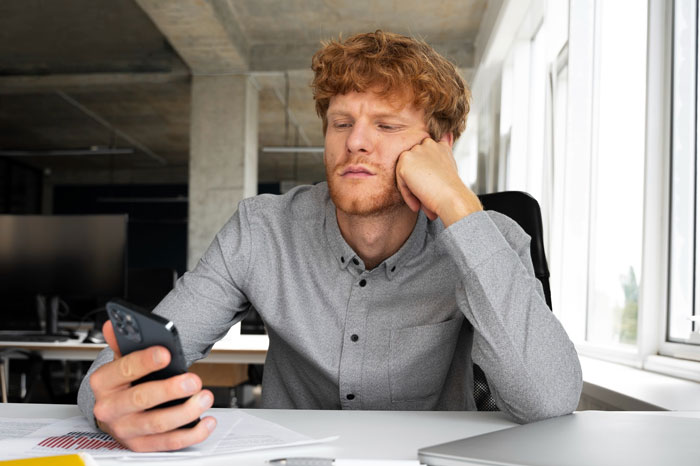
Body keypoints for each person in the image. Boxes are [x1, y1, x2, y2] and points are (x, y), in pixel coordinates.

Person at [78, 30, 582, 452]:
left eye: (386, 125)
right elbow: (111, 375)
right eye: (341, 123)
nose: (355, 141)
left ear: (439, 149)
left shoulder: (493, 237)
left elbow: (549, 400)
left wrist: (457, 205)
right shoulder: (261, 231)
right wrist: (114, 408)